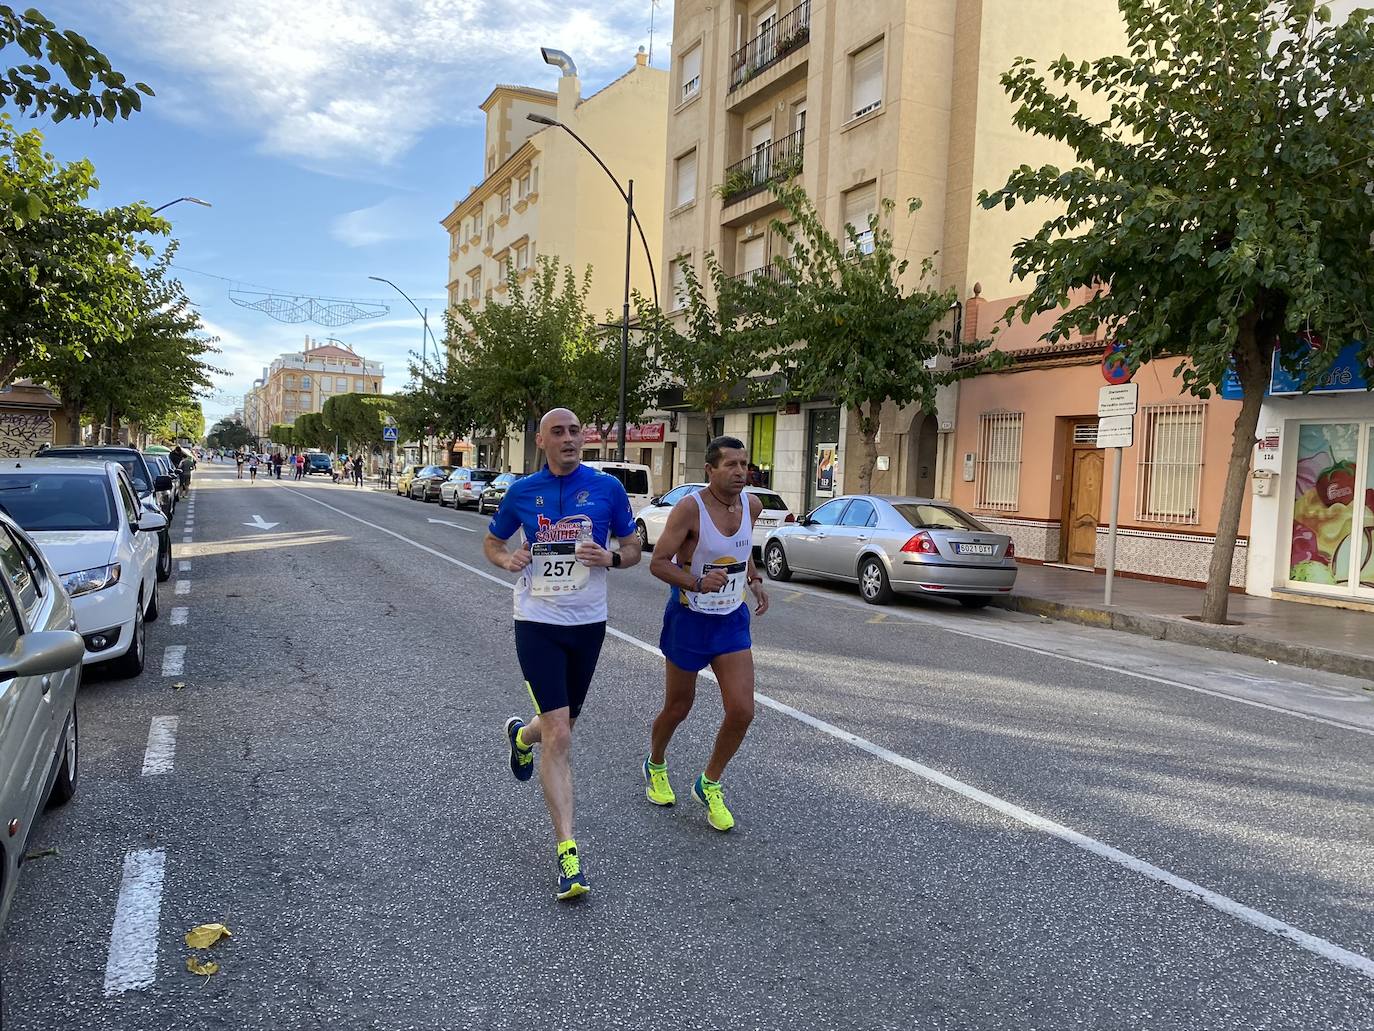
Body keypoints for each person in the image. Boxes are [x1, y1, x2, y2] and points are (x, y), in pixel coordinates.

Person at [484, 407, 641, 901]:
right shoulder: (521, 491)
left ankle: (519, 735)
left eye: (576, 431)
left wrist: (612, 557)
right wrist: (507, 557)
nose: (570, 439)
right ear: (542, 441)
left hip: (588, 624)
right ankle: (568, 855)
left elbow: (634, 546)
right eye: (560, 432)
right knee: (561, 732)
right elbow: (492, 541)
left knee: (558, 726)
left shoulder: (608, 489)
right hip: (536, 622)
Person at [644, 436, 769, 833]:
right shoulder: (689, 509)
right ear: (710, 470)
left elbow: (743, 549)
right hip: (690, 618)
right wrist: (697, 582)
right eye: (730, 464)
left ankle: (709, 782)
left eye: (744, 464)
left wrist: (753, 578)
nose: (739, 472)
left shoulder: (752, 505)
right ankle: (656, 763)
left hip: (731, 620)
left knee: (742, 709)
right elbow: (659, 564)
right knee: (679, 706)